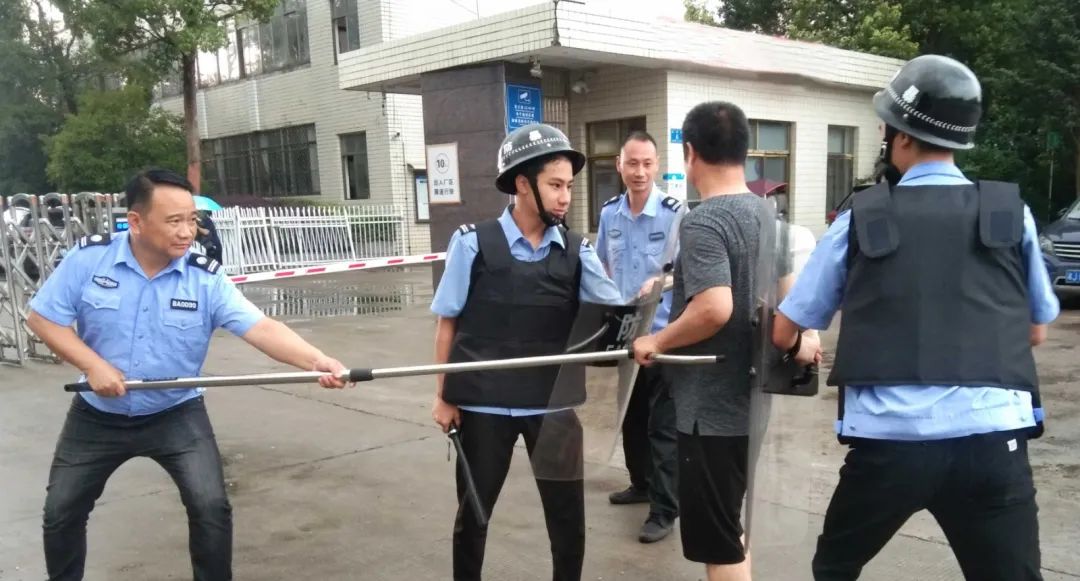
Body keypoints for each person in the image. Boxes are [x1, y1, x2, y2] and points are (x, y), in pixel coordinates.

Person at [772, 55, 1060, 581]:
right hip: (992, 443)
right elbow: (1035, 330)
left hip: (890, 446)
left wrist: (796, 347)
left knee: (835, 567)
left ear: (900, 135)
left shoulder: (861, 217)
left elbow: (786, 327)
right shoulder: (1007, 212)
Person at [27, 168, 350, 581]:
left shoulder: (204, 277)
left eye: (192, 220)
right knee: (61, 511)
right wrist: (93, 365)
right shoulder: (89, 259)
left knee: (210, 507)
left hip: (176, 412)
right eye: (174, 221)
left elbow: (261, 328)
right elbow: (43, 318)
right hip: (97, 416)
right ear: (137, 221)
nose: (187, 232)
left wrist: (317, 360)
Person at [429, 123, 622, 581]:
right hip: (482, 406)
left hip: (552, 406)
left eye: (568, 186)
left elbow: (616, 315)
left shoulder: (577, 251)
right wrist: (443, 396)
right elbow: (447, 322)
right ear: (522, 184)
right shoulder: (472, 243)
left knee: (568, 523)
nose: (565, 197)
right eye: (555, 185)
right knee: (473, 518)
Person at [632, 101, 812, 581]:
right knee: (732, 527)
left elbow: (714, 308)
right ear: (744, 152)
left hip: (710, 413)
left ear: (690, 152)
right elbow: (791, 301)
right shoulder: (767, 215)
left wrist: (657, 341)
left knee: (719, 546)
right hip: (750, 403)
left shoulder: (704, 220)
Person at [595, 130, 681, 543]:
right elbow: (600, 266)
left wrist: (661, 282)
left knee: (662, 427)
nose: (640, 172)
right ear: (619, 165)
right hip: (626, 337)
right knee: (630, 417)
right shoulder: (609, 214)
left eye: (647, 163)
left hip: (662, 337)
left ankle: (664, 510)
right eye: (632, 163)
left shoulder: (674, 213)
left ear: (657, 165)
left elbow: (687, 270)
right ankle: (640, 484)